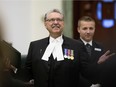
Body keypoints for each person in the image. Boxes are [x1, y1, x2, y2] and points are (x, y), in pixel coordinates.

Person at [22, 9, 115, 87]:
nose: (55, 22)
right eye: (51, 20)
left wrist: (99, 64)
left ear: (63, 23)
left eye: (59, 20)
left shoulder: (76, 45)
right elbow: (27, 72)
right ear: (45, 24)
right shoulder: (35, 45)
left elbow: (87, 72)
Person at [77, 16, 104, 87]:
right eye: (85, 28)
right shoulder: (72, 47)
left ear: (94, 29)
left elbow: (104, 69)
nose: (88, 31)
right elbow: (72, 71)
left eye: (91, 28)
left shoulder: (100, 47)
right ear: (78, 29)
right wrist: (89, 85)